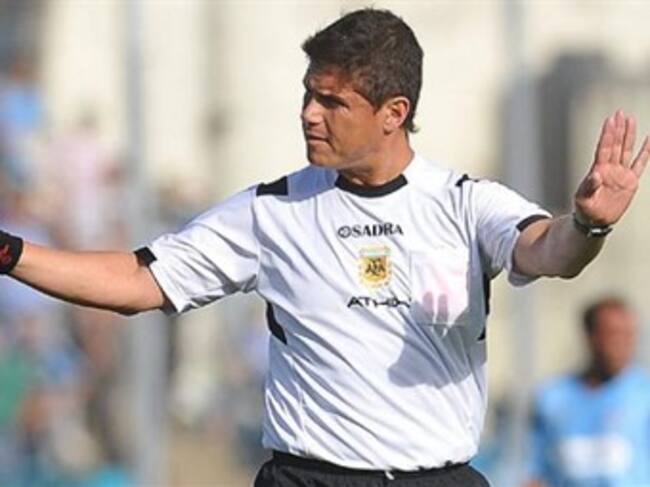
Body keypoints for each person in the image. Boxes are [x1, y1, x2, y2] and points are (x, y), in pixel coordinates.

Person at [0, 8, 649, 487]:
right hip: (307, 478)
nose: (309, 113)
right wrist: (9, 252)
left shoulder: (465, 203)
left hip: (437, 478)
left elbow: (548, 250)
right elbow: (139, 280)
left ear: (393, 112)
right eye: (308, 94)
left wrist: (588, 224)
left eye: (332, 101)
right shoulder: (272, 210)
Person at [524, 297, 650, 487]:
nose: (623, 344)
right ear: (591, 336)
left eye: (629, 335)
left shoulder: (644, 395)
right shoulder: (553, 398)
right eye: (614, 334)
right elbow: (535, 471)